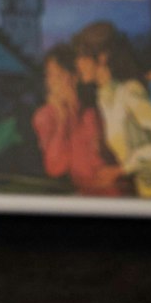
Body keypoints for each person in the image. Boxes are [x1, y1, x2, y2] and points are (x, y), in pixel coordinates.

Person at [74, 20, 151, 197]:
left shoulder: (129, 92)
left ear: (102, 58)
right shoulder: (103, 99)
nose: (77, 64)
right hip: (145, 193)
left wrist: (121, 170)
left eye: (82, 56)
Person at [30, 41, 124, 196]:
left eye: (58, 75)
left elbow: (110, 156)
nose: (51, 82)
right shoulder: (44, 116)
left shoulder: (93, 111)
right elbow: (55, 168)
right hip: (82, 195)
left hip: (113, 190)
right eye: (49, 75)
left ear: (74, 77)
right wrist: (62, 120)